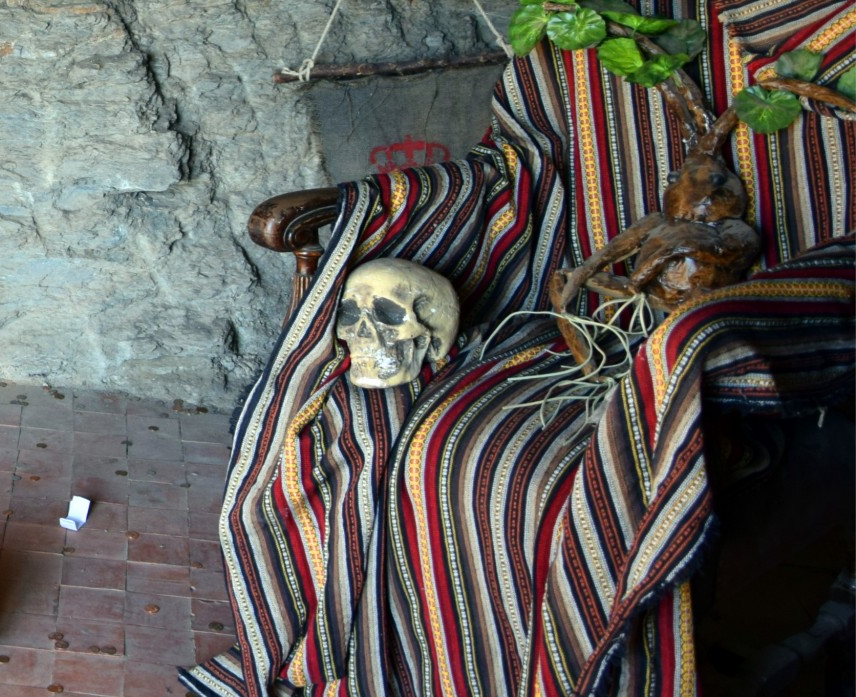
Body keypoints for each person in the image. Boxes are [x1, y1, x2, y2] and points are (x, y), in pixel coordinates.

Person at [182, 0, 855, 693]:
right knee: (350, 420)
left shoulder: (832, 51)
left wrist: (685, 334)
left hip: (736, 353)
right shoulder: (604, 23)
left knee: (507, 469)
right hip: (584, 326)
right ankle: (390, 659)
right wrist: (375, 218)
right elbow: (519, 166)